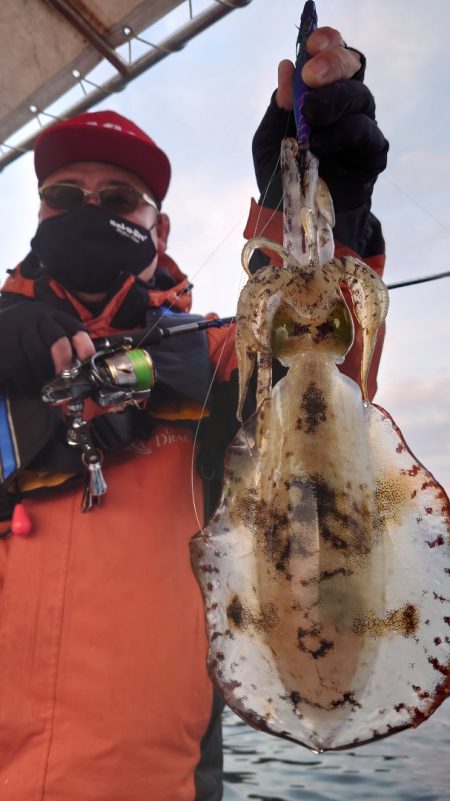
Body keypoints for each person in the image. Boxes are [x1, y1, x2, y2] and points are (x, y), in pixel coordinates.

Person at [0, 26, 388, 801]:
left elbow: (320, 373)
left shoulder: (215, 358)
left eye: (117, 200)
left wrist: (325, 213)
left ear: (158, 228)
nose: (89, 210)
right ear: (38, 213)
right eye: (64, 196)